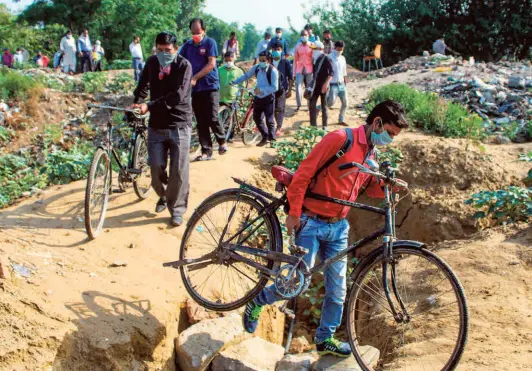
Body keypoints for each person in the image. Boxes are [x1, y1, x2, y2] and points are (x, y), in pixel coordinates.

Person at [243, 100, 409, 358]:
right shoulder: (340, 138)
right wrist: (295, 213)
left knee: (338, 289)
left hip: (338, 226)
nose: (390, 139)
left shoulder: (371, 153)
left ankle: (325, 339)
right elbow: (304, 173)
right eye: (389, 133)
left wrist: (390, 186)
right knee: (297, 282)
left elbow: (369, 188)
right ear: (376, 122)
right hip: (311, 220)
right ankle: (258, 301)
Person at [131, 31, 193, 227]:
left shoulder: (184, 66)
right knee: (155, 167)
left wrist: (148, 106)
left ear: (175, 49)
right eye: (159, 50)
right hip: (156, 125)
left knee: (179, 170)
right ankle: (164, 195)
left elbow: (177, 96)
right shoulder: (151, 63)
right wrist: (137, 103)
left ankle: (177, 209)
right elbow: (142, 86)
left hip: (179, 124)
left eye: (167, 50)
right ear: (155, 48)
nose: (163, 53)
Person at [180, 18, 228, 161]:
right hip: (195, 89)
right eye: (193, 32)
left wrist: (195, 77)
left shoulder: (209, 43)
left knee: (212, 116)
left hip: (209, 85)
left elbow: (211, 64)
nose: (195, 35)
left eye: (198, 32)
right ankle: (206, 150)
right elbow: (179, 61)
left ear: (204, 31)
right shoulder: (187, 46)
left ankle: (222, 141)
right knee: (201, 120)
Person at [231, 50, 279, 147]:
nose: (261, 62)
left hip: (268, 97)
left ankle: (273, 140)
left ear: (268, 60)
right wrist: (235, 82)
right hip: (258, 97)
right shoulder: (256, 68)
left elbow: (275, 87)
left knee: (269, 120)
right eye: (260, 60)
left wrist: (262, 90)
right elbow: (246, 76)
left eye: (263, 60)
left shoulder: (273, 71)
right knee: (257, 118)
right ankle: (265, 136)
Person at [309, 41, 333, 129]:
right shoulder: (315, 59)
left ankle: (324, 125)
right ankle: (313, 126)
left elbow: (331, 73)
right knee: (312, 105)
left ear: (320, 49)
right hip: (316, 86)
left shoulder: (326, 58)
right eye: (312, 49)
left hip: (324, 86)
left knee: (324, 105)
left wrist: (326, 85)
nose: (312, 50)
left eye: (314, 49)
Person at [271, 42, 292, 137]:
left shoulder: (285, 62)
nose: (276, 51)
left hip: (281, 88)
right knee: (273, 108)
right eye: (274, 50)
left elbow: (291, 77)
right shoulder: (269, 62)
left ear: (281, 51)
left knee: (280, 108)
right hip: (270, 88)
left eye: (278, 50)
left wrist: (290, 89)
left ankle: (279, 127)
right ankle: (277, 125)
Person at [327, 41, 348, 126]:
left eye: (342, 49)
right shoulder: (329, 57)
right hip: (333, 84)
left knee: (345, 103)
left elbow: (344, 70)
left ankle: (341, 119)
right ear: (335, 47)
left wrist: (345, 79)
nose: (340, 51)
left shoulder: (343, 58)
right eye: (339, 49)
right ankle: (319, 108)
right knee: (331, 102)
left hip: (342, 84)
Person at [293, 30, 313, 110]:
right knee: (298, 86)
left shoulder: (312, 45)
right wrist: (294, 73)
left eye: (305, 35)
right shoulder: (297, 46)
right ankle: (299, 105)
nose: (304, 36)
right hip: (299, 69)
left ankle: (309, 105)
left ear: (308, 36)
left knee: (309, 87)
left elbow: (316, 56)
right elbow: (295, 60)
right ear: (300, 37)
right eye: (302, 35)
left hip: (309, 69)